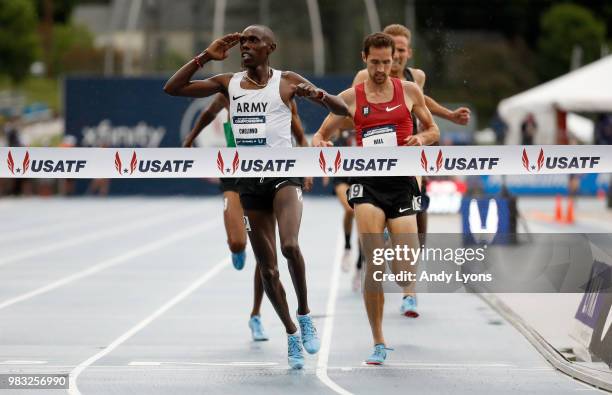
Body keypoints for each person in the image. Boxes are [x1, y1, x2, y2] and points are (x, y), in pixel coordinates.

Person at [164, 25, 350, 369]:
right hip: (248, 182)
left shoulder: (286, 81)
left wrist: (318, 95)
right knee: (266, 269)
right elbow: (173, 88)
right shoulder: (228, 84)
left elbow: (343, 109)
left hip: (283, 176)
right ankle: (292, 333)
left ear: (270, 47)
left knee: (290, 246)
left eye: (253, 41)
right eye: (243, 41)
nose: (245, 46)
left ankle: (305, 314)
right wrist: (205, 55)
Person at [313, 32, 439, 364]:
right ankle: (379, 341)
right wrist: (322, 143)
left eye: (388, 61)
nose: (383, 68)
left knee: (404, 272)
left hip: (401, 185)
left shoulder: (409, 91)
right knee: (375, 264)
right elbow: (322, 133)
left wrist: (421, 138)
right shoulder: (351, 98)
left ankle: (392, 248)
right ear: (364, 59)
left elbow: (433, 129)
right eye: (375, 62)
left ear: (395, 60)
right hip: (367, 185)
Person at [352, 24, 470, 317]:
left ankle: (409, 289)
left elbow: (423, 102)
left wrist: (449, 116)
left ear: (405, 53)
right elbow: (348, 107)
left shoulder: (415, 78)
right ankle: (368, 255)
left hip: (410, 154)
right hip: (374, 161)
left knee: (417, 214)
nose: (397, 56)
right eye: (394, 50)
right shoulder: (364, 78)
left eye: (402, 51)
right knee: (370, 217)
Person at [183, 92, 309, 342]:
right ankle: (237, 247)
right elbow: (208, 113)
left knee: (267, 256)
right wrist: (190, 139)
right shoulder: (231, 91)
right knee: (238, 243)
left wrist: (305, 163)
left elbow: (299, 132)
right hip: (235, 173)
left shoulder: (279, 93)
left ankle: (256, 315)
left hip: (269, 176)